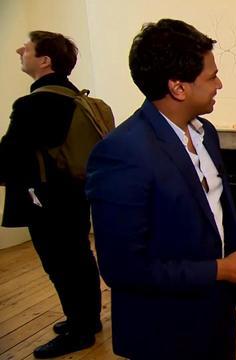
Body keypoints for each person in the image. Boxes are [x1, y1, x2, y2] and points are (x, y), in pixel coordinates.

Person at [85, 18, 236, 360]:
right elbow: (121, 267)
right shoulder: (122, 152)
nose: (219, 83)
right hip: (164, 332)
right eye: (211, 76)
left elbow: (215, 210)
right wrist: (222, 269)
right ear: (178, 88)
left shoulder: (207, 133)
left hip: (215, 316)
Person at [0, 31, 102, 359]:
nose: (20, 49)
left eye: (26, 48)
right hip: (76, 192)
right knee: (79, 256)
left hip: (45, 198)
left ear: (45, 60)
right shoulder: (80, 100)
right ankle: (88, 319)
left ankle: (80, 330)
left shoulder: (34, 104)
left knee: (60, 264)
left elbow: (8, 158)